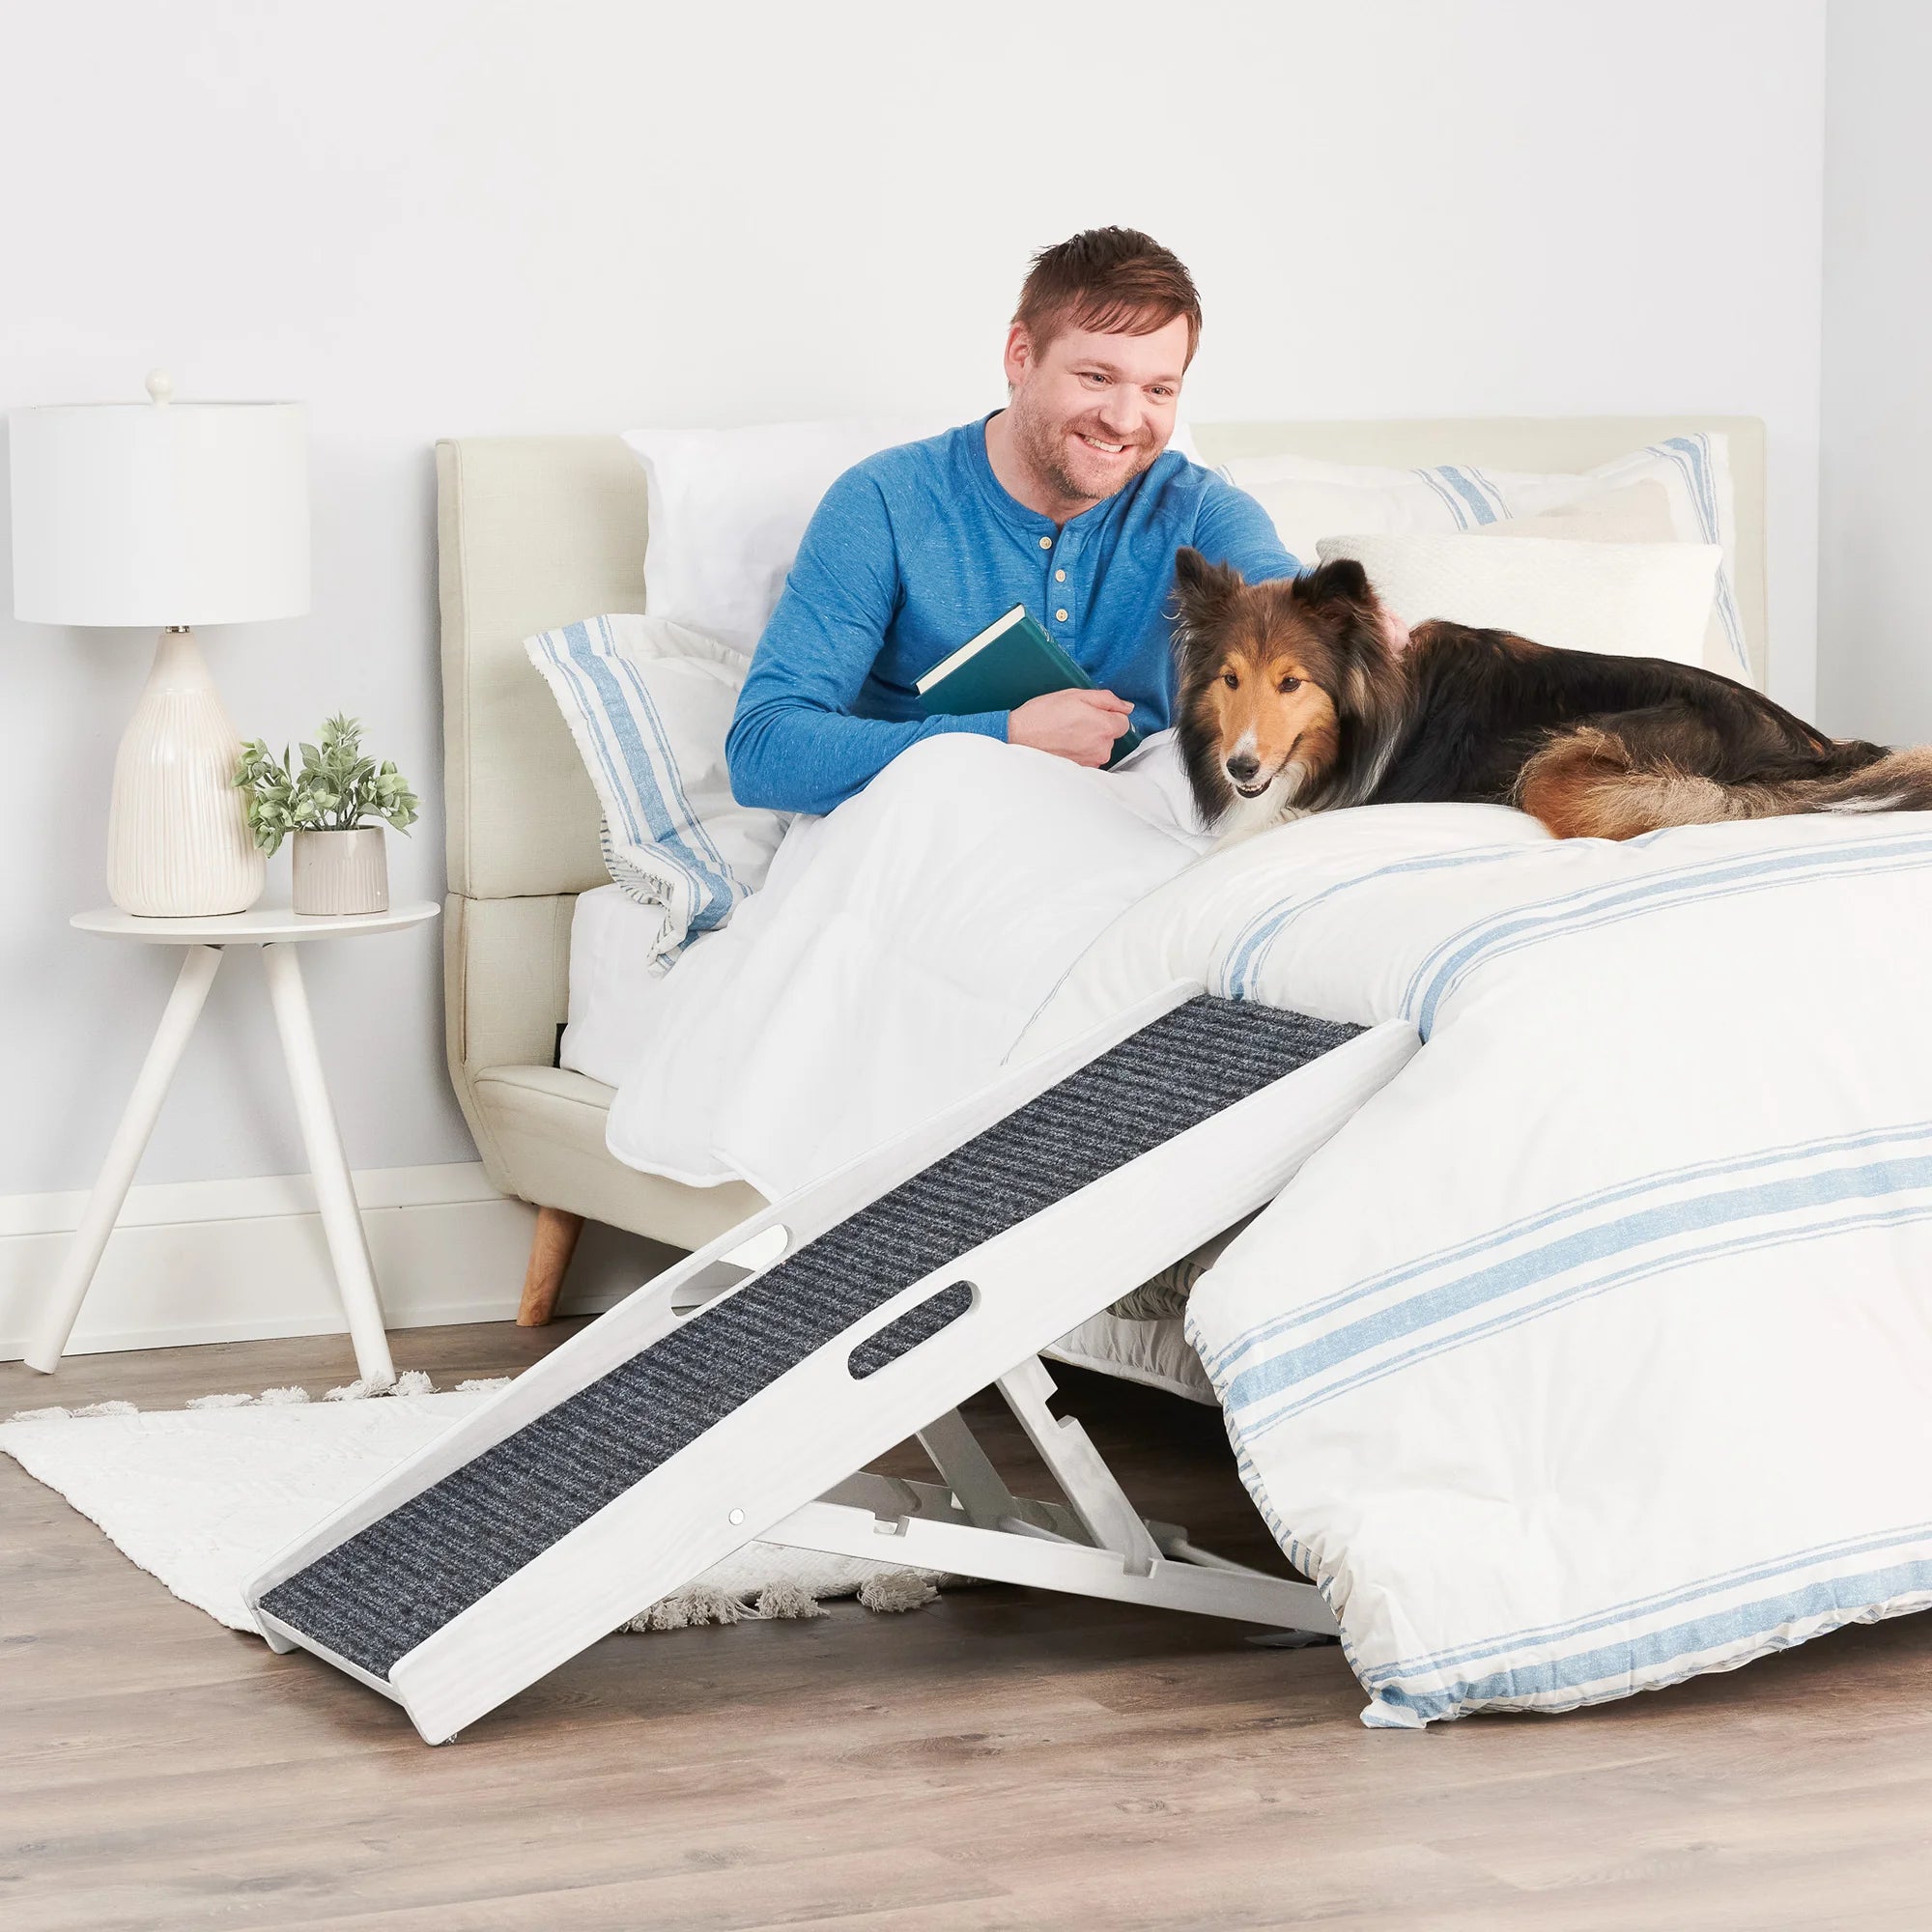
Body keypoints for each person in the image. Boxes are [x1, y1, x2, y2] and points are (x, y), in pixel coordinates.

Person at [725, 227, 1301, 815]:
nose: (1126, 421)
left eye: (1158, 389)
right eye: (1097, 378)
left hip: (1136, 834)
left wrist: (1354, 624)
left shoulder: (1198, 508)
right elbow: (764, 751)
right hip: (927, 834)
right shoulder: (883, 504)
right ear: (1021, 355)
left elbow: (1283, 595)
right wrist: (1006, 736)